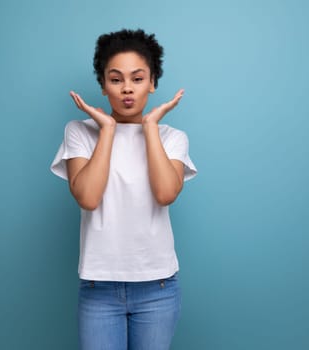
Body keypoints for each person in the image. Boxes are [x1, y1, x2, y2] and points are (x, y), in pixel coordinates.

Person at [51, 28, 197, 350]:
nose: (127, 89)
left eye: (137, 78)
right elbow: (88, 198)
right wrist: (107, 131)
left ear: (153, 82)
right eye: (116, 79)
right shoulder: (80, 133)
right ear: (103, 86)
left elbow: (165, 194)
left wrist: (149, 128)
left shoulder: (172, 138)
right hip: (98, 288)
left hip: (157, 288)